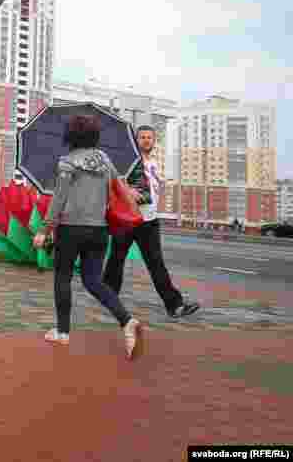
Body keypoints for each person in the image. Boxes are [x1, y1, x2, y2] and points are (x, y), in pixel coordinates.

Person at [33, 115, 145, 360]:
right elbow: (120, 188)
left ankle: (62, 332)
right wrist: (133, 204)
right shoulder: (104, 160)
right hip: (99, 230)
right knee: (94, 281)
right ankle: (127, 320)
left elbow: (59, 199)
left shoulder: (67, 162)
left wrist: (44, 230)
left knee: (62, 277)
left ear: (70, 135)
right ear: (94, 136)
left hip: (71, 229)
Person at [102, 125, 200, 318]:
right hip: (127, 219)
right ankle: (108, 299)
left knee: (156, 263)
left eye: (149, 137)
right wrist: (127, 190)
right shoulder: (127, 161)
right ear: (135, 140)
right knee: (116, 261)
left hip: (149, 221)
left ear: (154, 141)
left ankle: (175, 306)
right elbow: (112, 180)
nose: (146, 140)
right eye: (142, 137)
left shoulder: (154, 163)